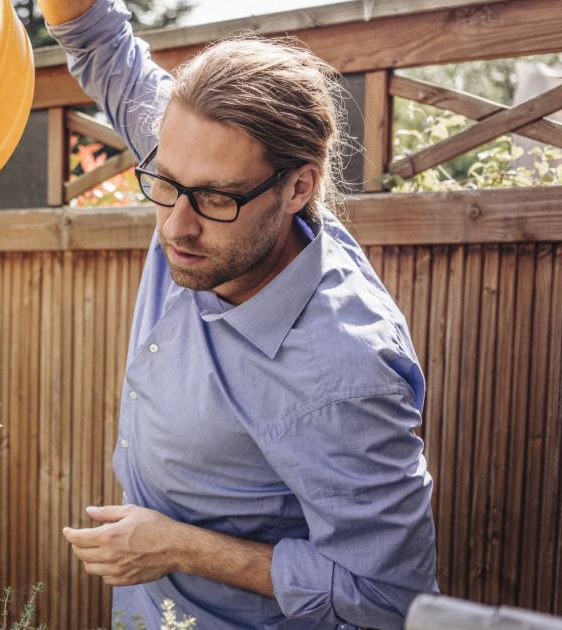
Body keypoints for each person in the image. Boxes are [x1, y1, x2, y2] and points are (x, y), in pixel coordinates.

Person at [40, 1, 439, 628]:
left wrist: (180, 547)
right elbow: (100, 43)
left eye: (215, 200)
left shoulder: (345, 370)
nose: (177, 225)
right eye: (165, 185)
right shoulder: (199, 159)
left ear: (299, 188)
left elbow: (390, 599)